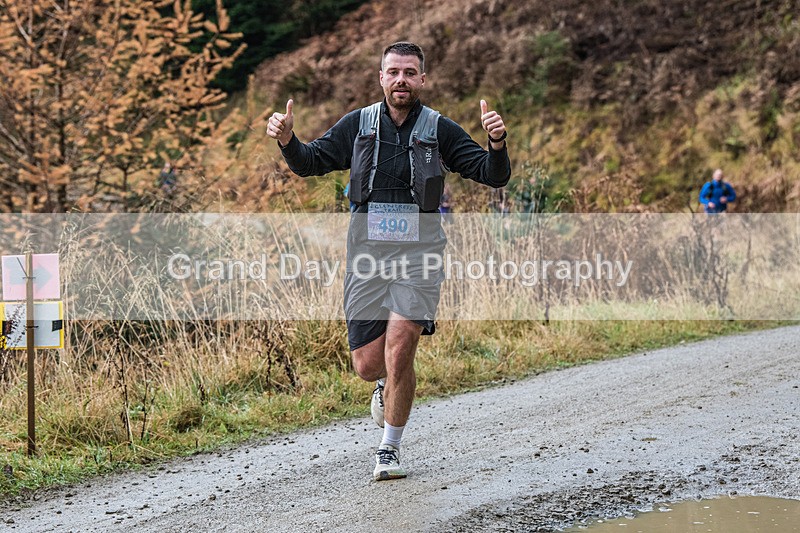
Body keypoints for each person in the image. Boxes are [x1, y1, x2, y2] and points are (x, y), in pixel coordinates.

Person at [266, 41, 510, 481]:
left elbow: (493, 175)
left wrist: (496, 142)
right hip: (366, 256)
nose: (401, 79)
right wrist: (287, 140)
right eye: (393, 72)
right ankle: (382, 387)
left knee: (401, 348)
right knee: (369, 364)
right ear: (381, 78)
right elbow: (310, 162)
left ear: (421, 79)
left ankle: (389, 449)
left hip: (420, 255)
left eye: (410, 72)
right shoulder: (358, 125)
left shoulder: (440, 129)